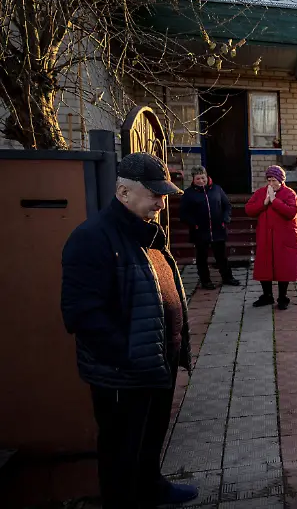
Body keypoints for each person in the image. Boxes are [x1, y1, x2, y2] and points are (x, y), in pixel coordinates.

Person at [60, 153, 199, 508]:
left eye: (163, 193)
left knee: (150, 438)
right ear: (123, 192)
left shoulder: (146, 233)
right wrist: (126, 356)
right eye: (153, 193)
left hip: (156, 361)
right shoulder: (92, 238)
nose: (160, 200)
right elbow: (81, 314)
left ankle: (151, 486)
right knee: (121, 450)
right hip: (123, 373)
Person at [244, 165, 297, 310]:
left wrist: (274, 200)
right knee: (265, 265)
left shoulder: (289, 194)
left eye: (274, 180)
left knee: (284, 266)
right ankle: (267, 296)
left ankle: (283, 297)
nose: (271, 184)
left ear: (281, 180)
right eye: (269, 180)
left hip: (284, 237)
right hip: (265, 236)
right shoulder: (261, 193)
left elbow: (291, 212)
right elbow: (249, 209)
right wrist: (263, 203)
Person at [178, 167, 240, 290]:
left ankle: (227, 277)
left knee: (221, 256)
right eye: (198, 179)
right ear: (193, 179)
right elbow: (183, 214)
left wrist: (225, 219)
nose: (201, 181)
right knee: (202, 258)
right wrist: (194, 224)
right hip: (200, 231)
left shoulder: (217, 189)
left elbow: (227, 205)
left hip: (218, 229)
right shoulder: (189, 194)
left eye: (203, 178)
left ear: (207, 177)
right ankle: (205, 281)